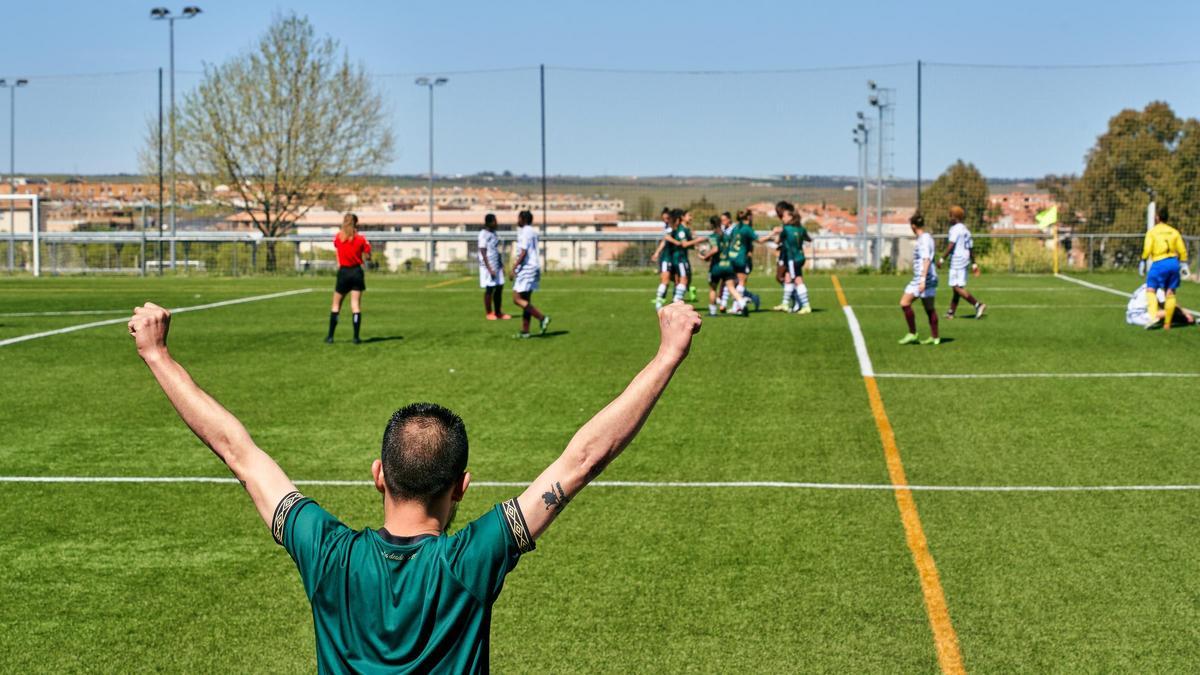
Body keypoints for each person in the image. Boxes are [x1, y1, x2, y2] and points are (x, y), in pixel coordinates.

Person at [126, 299, 703, 673]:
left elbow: (239, 453)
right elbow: (582, 459)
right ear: (462, 487)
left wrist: (156, 354)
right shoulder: (470, 560)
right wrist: (668, 354)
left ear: (379, 475)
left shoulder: (327, 553)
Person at [1140, 205, 1190, 330]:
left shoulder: (1152, 232)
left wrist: (1143, 260)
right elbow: (1182, 249)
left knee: (1151, 290)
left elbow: (1147, 248)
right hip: (1173, 262)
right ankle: (1167, 323)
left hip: (1159, 263)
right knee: (1170, 292)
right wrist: (1183, 262)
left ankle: (1153, 318)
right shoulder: (1174, 231)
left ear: (1157, 217)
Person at [327, 213, 371, 344]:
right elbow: (368, 255)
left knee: (336, 305)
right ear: (356, 223)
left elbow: (337, 249)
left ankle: (330, 337)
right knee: (355, 305)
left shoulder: (338, 237)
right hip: (356, 272)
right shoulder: (361, 239)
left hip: (344, 272)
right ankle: (356, 337)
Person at [939, 206, 987, 320]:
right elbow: (970, 248)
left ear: (954, 217)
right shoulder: (965, 229)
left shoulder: (955, 229)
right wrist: (974, 264)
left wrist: (942, 259)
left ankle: (977, 305)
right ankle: (951, 312)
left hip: (957, 260)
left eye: (950, 216)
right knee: (958, 287)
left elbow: (951, 245)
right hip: (965, 260)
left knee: (955, 287)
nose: (949, 218)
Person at [899, 213, 940, 345]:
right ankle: (935, 337)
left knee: (904, 303)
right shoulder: (927, 237)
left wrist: (922, 280)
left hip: (923, 278)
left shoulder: (923, 240)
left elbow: (926, 259)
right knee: (929, 308)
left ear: (913, 226)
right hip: (929, 277)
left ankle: (913, 334)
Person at [698, 215, 749, 316]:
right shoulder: (726, 236)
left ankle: (712, 312)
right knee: (731, 287)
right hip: (728, 265)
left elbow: (715, 249)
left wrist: (705, 257)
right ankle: (742, 304)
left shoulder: (714, 236)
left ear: (711, 225)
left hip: (717, 267)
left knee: (713, 288)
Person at [511, 210, 550, 338]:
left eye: (519, 218)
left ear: (523, 219)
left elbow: (523, 252)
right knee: (526, 300)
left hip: (526, 269)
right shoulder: (533, 231)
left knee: (516, 299)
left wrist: (514, 268)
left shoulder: (525, 232)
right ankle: (525, 331)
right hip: (534, 267)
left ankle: (542, 318)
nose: (517, 220)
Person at [776, 201, 813, 315]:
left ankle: (806, 305)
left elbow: (777, 241)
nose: (782, 218)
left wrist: (775, 233)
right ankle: (785, 303)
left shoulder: (786, 229)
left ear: (791, 217)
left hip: (792, 259)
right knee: (788, 278)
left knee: (797, 280)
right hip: (800, 256)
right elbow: (809, 239)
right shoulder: (801, 228)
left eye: (784, 216)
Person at [662, 209, 703, 307]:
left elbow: (686, 244)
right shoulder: (681, 229)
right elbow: (684, 244)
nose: (691, 218)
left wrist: (696, 247)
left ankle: (677, 299)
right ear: (683, 217)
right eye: (689, 215)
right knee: (682, 280)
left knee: (685, 280)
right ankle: (676, 301)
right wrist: (698, 240)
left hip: (682, 257)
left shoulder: (686, 229)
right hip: (679, 258)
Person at [726, 211, 764, 311]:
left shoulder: (735, 228)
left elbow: (730, 241)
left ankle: (737, 306)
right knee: (740, 282)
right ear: (748, 218)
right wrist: (772, 234)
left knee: (735, 283)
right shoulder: (747, 228)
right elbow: (759, 240)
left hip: (732, 257)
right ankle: (744, 302)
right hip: (741, 258)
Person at [477, 213, 511, 321]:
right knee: (489, 288)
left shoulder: (494, 233)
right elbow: (482, 251)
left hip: (496, 264)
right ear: (490, 222)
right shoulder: (483, 234)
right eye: (495, 221)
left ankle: (498, 312)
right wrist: (489, 268)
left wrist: (501, 265)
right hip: (488, 265)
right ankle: (489, 313)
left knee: (500, 287)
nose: (497, 223)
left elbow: (496, 250)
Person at [1126, 283, 1194, 327]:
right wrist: (1186, 314)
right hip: (1138, 316)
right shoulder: (1157, 289)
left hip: (1130, 315)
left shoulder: (1146, 285)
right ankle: (1184, 319)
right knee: (1173, 311)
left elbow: (1163, 305)